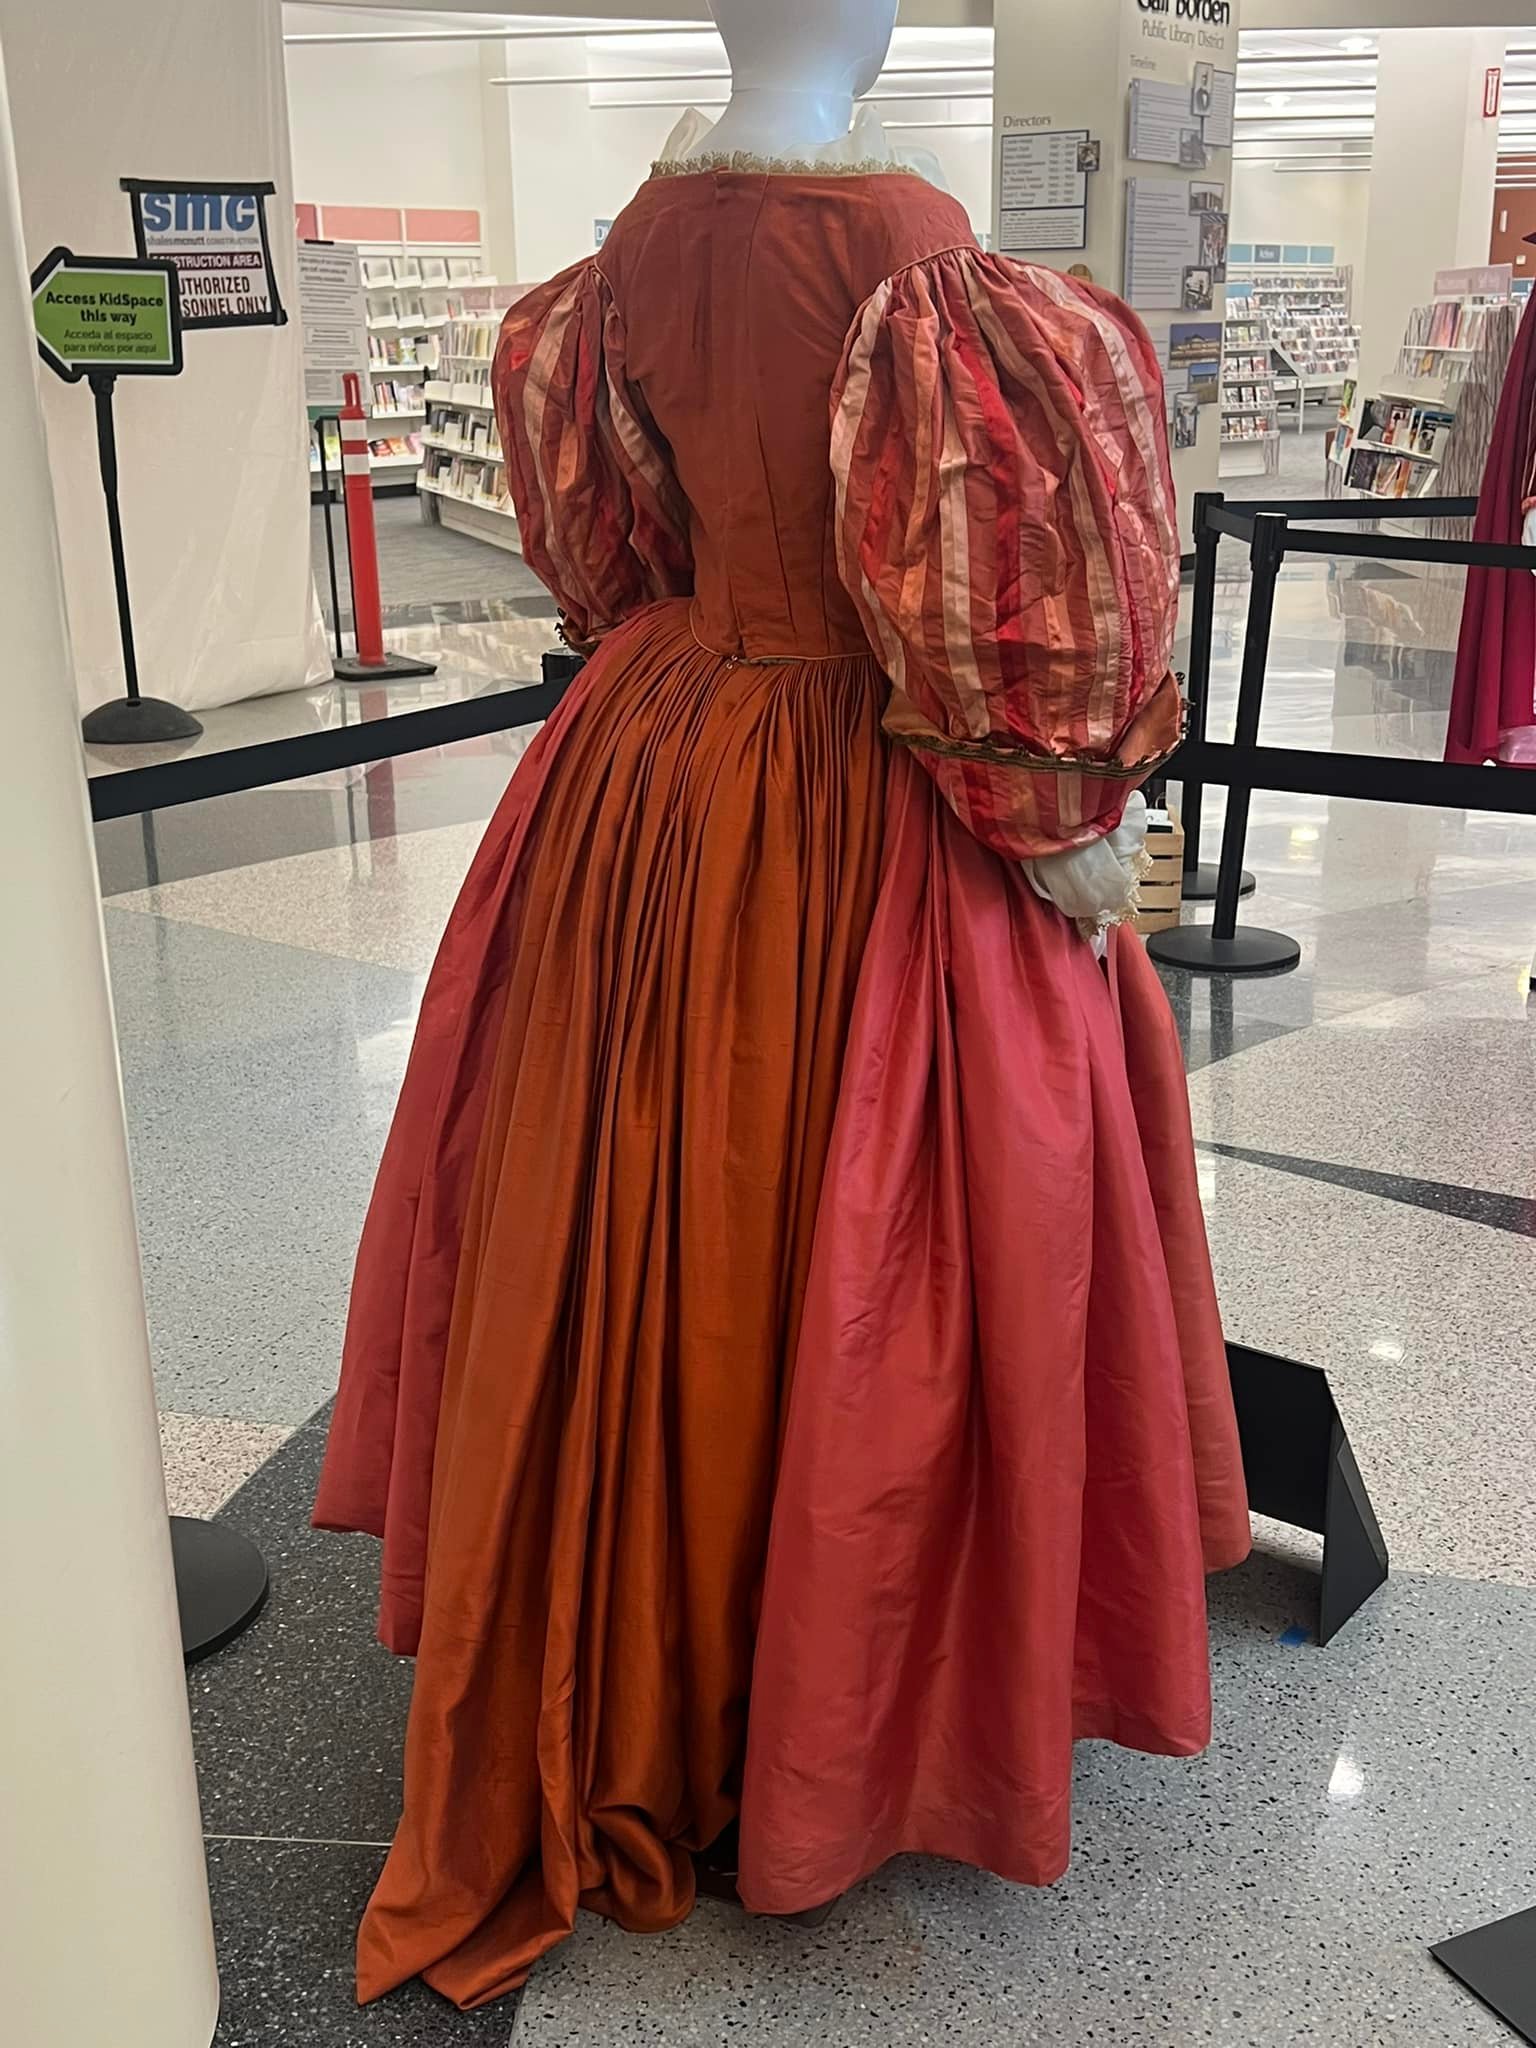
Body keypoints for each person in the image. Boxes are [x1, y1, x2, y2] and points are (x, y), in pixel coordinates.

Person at [313, 1, 1250, 2011]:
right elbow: (1002, 596)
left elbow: (611, 551)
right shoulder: (915, 247)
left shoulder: (631, 249)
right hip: (866, 782)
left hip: (656, 766)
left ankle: (667, 1639)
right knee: (884, 1232)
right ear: (871, 19)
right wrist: (1061, 825)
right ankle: (840, 1683)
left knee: (669, 1209)